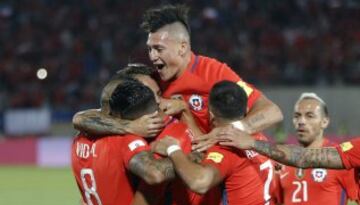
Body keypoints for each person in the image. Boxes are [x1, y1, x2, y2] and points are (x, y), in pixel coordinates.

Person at [72, 4, 283, 149]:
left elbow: (272, 112)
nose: (152, 56)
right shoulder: (151, 83)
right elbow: (83, 118)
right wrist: (128, 127)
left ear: (183, 47)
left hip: (222, 167)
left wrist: (231, 131)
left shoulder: (214, 72)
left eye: (159, 49)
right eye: (149, 49)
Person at [151, 81, 283, 205]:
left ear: (211, 114)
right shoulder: (258, 139)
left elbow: (200, 182)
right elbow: (208, 146)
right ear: (246, 110)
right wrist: (185, 111)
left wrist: (173, 149)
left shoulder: (226, 149)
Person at [72, 79, 193, 205]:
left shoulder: (79, 139)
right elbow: (155, 174)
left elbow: (80, 119)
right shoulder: (126, 141)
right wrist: (190, 159)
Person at [273, 93, 359, 205]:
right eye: (297, 116)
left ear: (324, 122)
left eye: (309, 116)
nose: (301, 121)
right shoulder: (285, 162)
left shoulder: (339, 161)